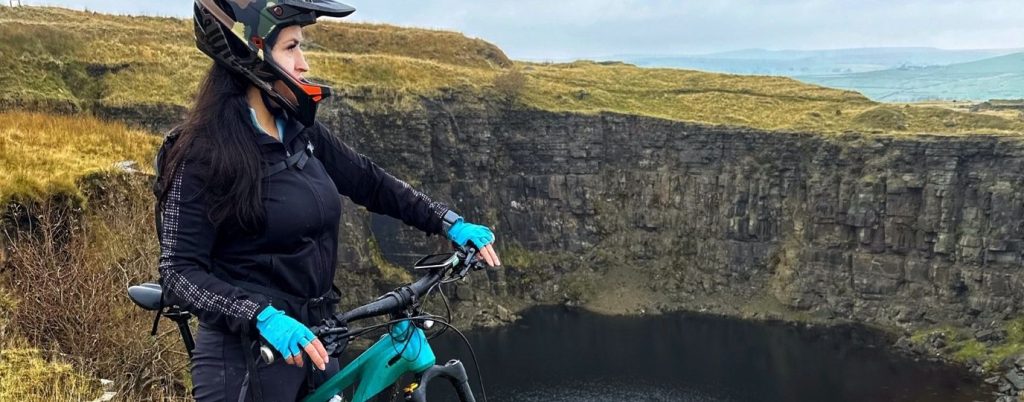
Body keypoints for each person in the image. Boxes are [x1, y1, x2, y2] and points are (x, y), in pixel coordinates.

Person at [156, 1, 502, 400]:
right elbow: (179, 273)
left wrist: (448, 222)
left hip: (320, 342)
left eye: (301, 47)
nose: (303, 63)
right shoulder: (201, 153)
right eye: (290, 48)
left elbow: (372, 183)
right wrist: (261, 316)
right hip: (247, 362)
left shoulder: (300, 132)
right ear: (249, 54)